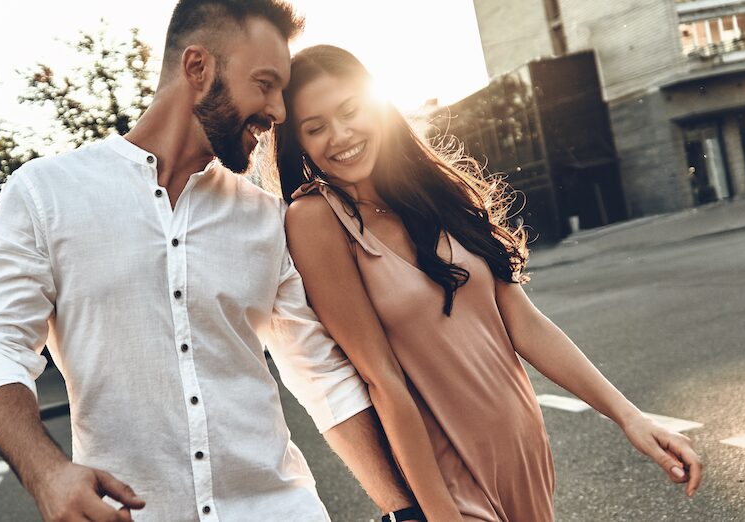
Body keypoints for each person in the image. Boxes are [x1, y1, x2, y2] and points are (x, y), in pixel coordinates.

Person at [0, 3, 424, 521]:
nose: (280, 111)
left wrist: (403, 509)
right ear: (198, 68)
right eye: (266, 83)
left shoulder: (267, 216)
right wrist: (47, 473)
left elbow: (322, 376)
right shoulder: (44, 195)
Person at [272, 44, 704, 522]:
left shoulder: (433, 192)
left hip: (523, 454)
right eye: (316, 128)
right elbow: (381, 379)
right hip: (447, 476)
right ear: (300, 143)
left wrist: (630, 416)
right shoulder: (315, 220)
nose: (341, 135)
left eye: (351, 111)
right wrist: (437, 513)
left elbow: (523, 323)